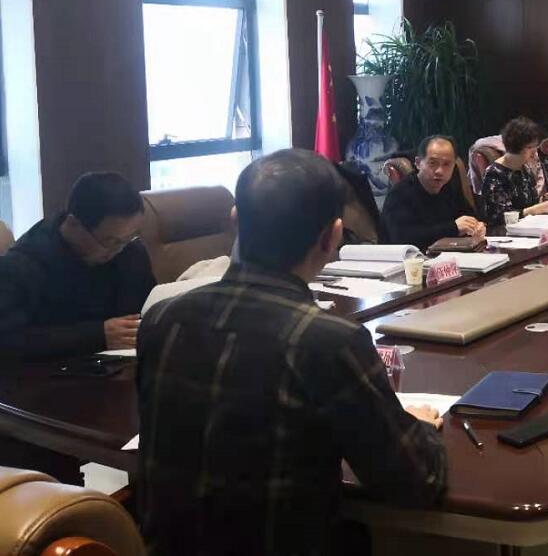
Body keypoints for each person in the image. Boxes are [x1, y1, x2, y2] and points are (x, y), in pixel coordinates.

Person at [136, 149, 447, 556]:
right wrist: (419, 427)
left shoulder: (161, 319)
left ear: (235, 221)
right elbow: (416, 482)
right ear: (332, 237)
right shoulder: (328, 342)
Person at [0, 172, 153, 358]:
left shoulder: (131, 250)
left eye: (129, 238)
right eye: (111, 241)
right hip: (55, 369)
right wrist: (96, 335)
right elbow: (9, 340)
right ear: (73, 224)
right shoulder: (23, 266)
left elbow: (146, 306)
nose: (119, 249)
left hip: (125, 362)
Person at [380, 135, 484, 250]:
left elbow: (468, 214)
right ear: (418, 163)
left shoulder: (449, 186)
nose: (440, 171)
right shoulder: (400, 193)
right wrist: (453, 228)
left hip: (442, 255)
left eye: (446, 164)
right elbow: (403, 238)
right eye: (433, 163)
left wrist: (476, 226)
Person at [478, 117, 548, 227]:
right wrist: (536, 209)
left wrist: (547, 199)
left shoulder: (524, 168)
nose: (534, 152)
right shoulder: (494, 174)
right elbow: (499, 217)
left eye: (535, 146)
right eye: (530, 147)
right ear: (516, 147)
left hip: (530, 226)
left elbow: (530, 202)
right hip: (506, 232)